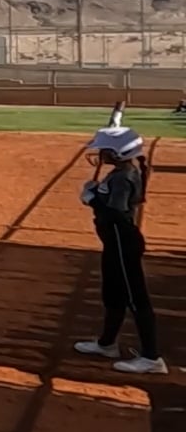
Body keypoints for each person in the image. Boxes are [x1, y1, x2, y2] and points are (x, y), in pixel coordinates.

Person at [74, 127, 166, 375]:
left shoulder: (123, 177)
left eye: (104, 150)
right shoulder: (119, 173)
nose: (100, 154)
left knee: (136, 298)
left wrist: (92, 199)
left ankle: (151, 357)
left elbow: (116, 214)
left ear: (118, 152)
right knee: (113, 294)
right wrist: (96, 193)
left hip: (123, 243)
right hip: (113, 244)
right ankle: (107, 344)